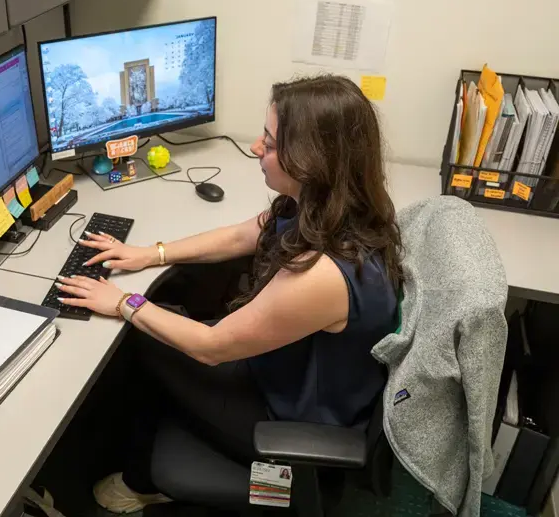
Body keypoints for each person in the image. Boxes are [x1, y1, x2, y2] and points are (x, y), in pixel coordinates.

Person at [55, 75, 403, 514]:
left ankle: (138, 481)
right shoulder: (334, 205)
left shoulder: (324, 273)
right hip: (283, 370)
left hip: (291, 415)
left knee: (143, 340)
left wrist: (123, 303)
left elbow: (211, 347)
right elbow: (246, 234)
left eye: (272, 144)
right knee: (167, 315)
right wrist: (150, 254)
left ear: (312, 160)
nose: (257, 147)